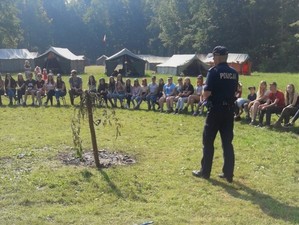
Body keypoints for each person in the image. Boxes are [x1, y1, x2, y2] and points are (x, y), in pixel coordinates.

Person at [192, 46, 239, 183]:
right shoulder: (234, 72)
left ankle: (205, 172)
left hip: (215, 111)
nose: (213, 59)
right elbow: (235, 91)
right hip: (229, 112)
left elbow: (206, 93)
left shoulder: (214, 71)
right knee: (227, 143)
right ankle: (228, 174)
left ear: (217, 57)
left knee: (208, 142)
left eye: (213, 57)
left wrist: (204, 96)